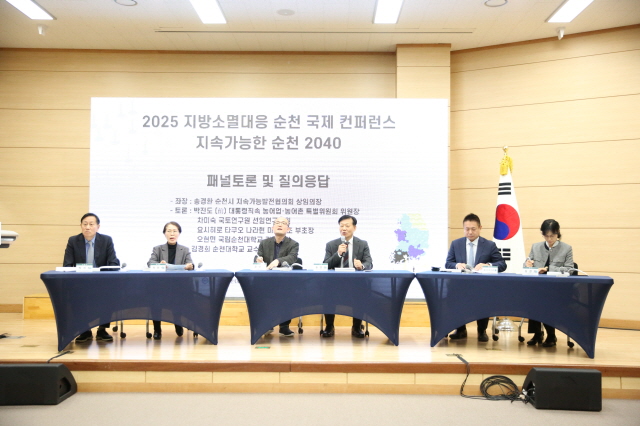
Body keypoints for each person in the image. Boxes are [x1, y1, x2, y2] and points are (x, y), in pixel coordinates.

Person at [445, 213, 506, 342]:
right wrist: (457, 265)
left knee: (484, 297)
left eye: (473, 229)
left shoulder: (489, 245)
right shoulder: (456, 244)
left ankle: (482, 331)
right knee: (455, 296)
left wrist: (488, 265)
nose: (470, 232)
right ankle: (460, 330)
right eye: (467, 229)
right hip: (461, 285)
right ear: (463, 229)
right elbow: (448, 263)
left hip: (482, 285)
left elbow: (502, 264)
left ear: (480, 228)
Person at [63, 212, 120, 343]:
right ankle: (85, 330)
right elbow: (67, 264)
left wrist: (105, 273)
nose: (87, 227)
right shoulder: (73, 241)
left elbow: (114, 262)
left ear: (97, 227)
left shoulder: (106, 240)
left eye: (91, 224)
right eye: (85, 224)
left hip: (101, 281)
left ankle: (102, 330)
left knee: (109, 295)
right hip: (80, 282)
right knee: (75, 297)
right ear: (81, 226)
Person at [524, 219, 574, 347]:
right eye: (546, 236)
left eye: (552, 236)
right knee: (532, 298)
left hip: (557, 288)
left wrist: (548, 269)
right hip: (538, 286)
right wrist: (528, 264)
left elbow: (570, 269)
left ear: (558, 233)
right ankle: (537, 333)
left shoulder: (566, 248)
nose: (549, 239)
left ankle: (551, 335)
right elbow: (526, 265)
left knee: (545, 301)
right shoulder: (536, 247)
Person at [321, 215, 373, 338]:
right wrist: (338, 254)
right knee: (327, 292)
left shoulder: (362, 244)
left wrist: (361, 266)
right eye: (341, 226)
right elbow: (325, 265)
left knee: (361, 293)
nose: (344, 228)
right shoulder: (331, 244)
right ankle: (329, 326)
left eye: (347, 226)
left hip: (355, 282)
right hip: (335, 282)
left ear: (354, 228)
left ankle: (356, 327)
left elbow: (369, 263)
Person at [147, 221, 194, 340]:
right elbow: (150, 263)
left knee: (177, 299)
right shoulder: (158, 249)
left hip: (178, 286)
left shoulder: (184, 250)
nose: (172, 234)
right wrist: (159, 264)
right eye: (169, 231)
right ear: (164, 233)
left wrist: (189, 266)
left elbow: (190, 264)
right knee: (155, 301)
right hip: (160, 286)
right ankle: (157, 329)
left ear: (179, 233)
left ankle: (178, 322)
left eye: (174, 231)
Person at [255, 217, 300, 337]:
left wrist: (278, 261)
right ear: (273, 227)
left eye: (283, 223)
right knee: (262, 295)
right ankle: (267, 325)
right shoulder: (264, 243)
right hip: (267, 279)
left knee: (288, 294)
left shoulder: (293, 244)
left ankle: (284, 326)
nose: (280, 225)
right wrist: (258, 259)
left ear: (288, 229)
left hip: (285, 280)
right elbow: (258, 256)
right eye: (277, 223)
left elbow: (292, 257)